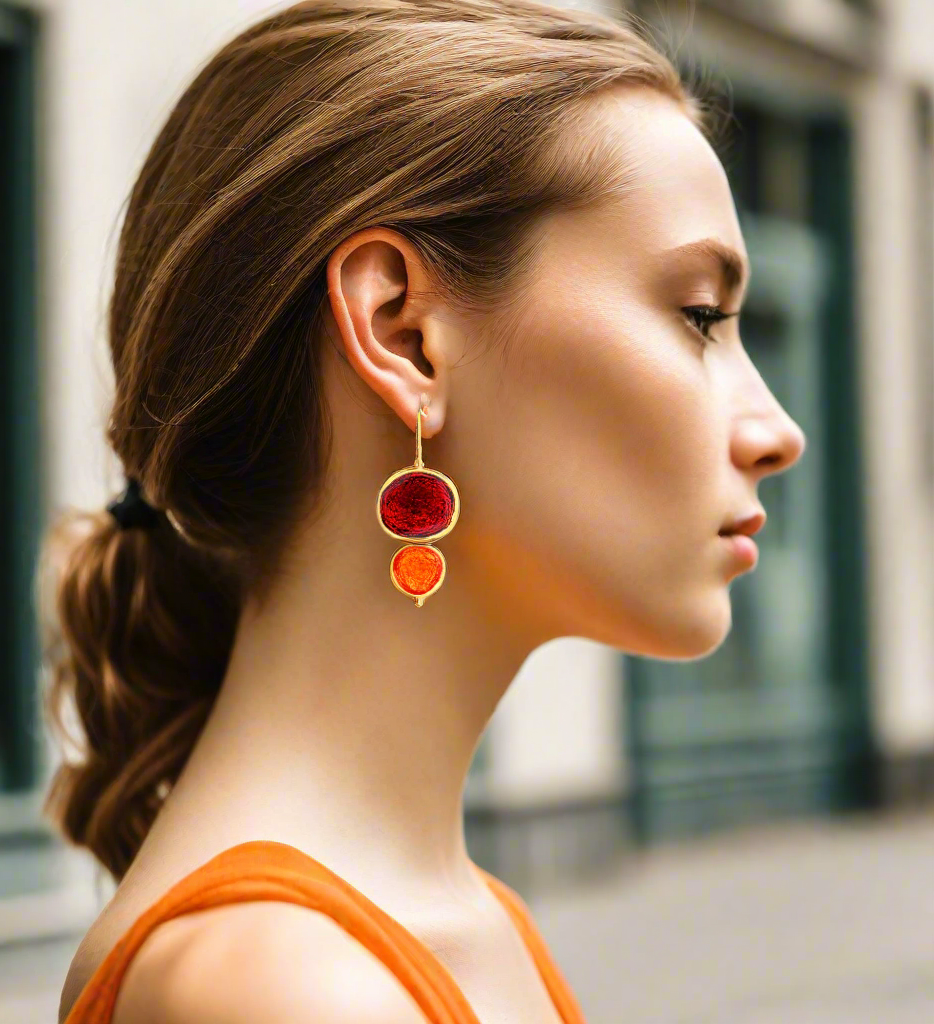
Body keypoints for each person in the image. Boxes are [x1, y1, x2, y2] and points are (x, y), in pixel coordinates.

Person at [44, 1, 806, 1021]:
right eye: (699, 316)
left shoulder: (444, 922)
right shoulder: (283, 983)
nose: (777, 430)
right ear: (401, 335)